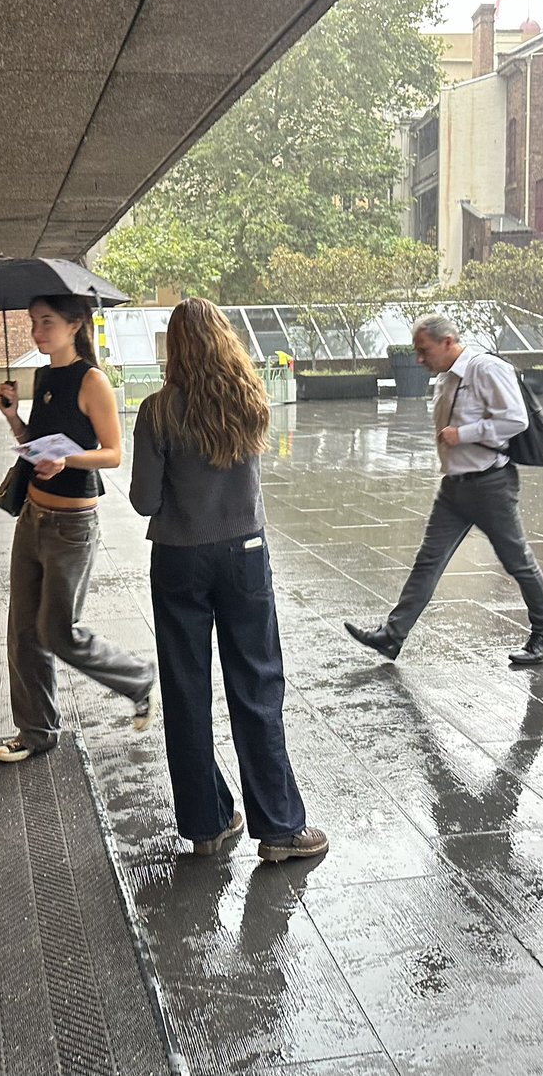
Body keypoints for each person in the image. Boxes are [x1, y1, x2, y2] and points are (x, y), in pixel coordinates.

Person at [129, 298, 327, 863]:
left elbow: (145, 500)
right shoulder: (249, 399)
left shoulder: (156, 411)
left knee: (186, 692)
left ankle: (207, 823)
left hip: (178, 560)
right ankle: (281, 829)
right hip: (244, 554)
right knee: (257, 685)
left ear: (174, 347)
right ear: (226, 341)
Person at [0, 294, 156, 762]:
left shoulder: (92, 381)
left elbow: (113, 453)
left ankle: (137, 678)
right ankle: (36, 731)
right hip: (33, 517)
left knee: (58, 631)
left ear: (75, 323)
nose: (37, 332)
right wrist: (13, 419)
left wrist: (67, 459)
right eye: (32, 322)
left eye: (46, 322)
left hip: (71, 525)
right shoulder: (44, 376)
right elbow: (36, 445)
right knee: (23, 631)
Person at [345, 313, 543, 666]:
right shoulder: (445, 376)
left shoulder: (485, 369)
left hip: (490, 484)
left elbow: (516, 419)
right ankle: (393, 635)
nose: (418, 358)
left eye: (423, 350)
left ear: (447, 342)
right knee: (428, 561)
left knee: (516, 561)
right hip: (455, 488)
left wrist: (465, 434)